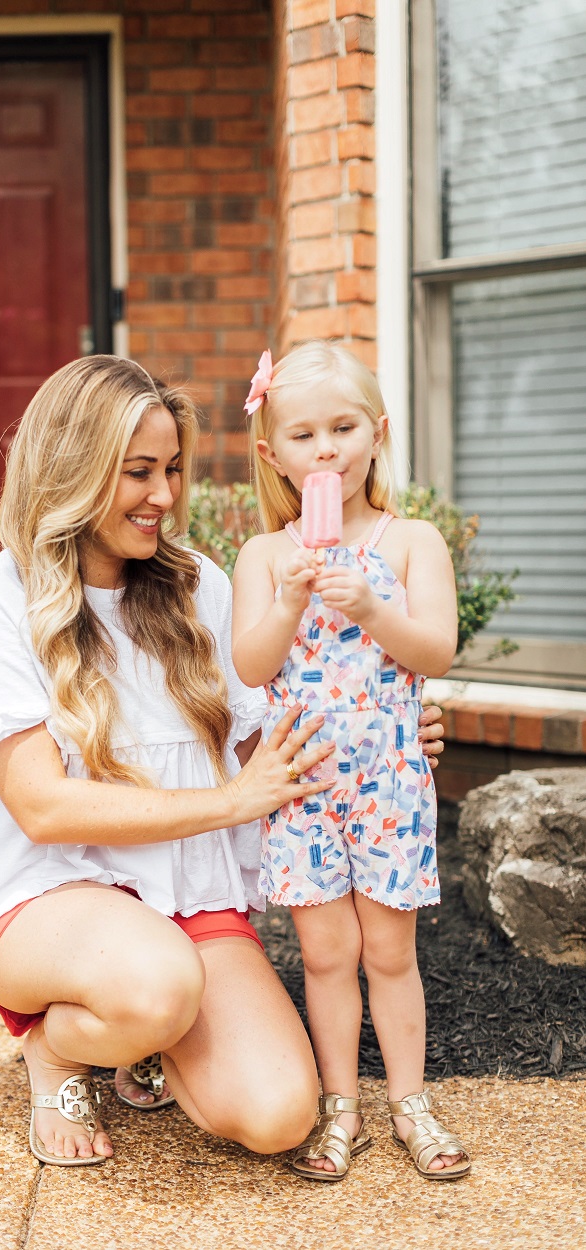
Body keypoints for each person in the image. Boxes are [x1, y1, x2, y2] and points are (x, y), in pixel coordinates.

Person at [0, 354, 446, 1168]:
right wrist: (235, 802)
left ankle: (148, 1036)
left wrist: (381, 734)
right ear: (73, 470)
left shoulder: (197, 582)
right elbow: (44, 808)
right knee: (155, 986)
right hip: (43, 890)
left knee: (277, 1115)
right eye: (138, 473)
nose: (165, 496)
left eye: (172, 469)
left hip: (183, 895)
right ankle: (61, 1048)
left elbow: (259, 739)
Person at [232, 342, 470, 1182]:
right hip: (302, 783)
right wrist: (293, 595)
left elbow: (435, 649)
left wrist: (371, 605)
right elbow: (254, 667)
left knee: (390, 954)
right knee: (327, 955)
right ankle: (341, 1106)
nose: (324, 448)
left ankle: (410, 1101)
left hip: (390, 782)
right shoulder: (266, 558)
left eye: (342, 427)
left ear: (378, 432)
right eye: (302, 434)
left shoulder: (412, 543)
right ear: (274, 454)